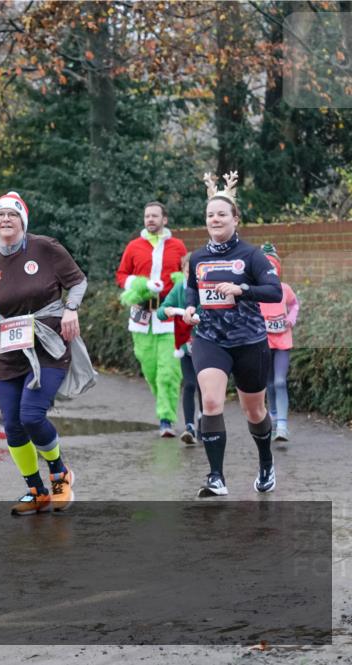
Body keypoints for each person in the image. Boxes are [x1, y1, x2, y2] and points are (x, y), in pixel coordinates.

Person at [0, 191, 94, 516]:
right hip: (8, 350)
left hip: (49, 343)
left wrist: (71, 309)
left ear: (23, 221)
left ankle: (60, 474)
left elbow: (77, 282)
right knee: (13, 425)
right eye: (0, 215)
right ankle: (36, 489)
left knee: (32, 416)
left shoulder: (45, 248)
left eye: (12, 214)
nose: (6, 219)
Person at [184, 172, 282, 497]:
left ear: (235, 219)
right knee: (211, 401)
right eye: (210, 214)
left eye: (222, 214)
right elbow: (191, 291)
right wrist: (189, 309)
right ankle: (216, 477)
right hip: (210, 338)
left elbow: (274, 292)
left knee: (253, 410)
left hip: (249, 341)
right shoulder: (197, 257)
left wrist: (241, 289)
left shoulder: (252, 256)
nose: (215, 219)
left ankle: (266, 464)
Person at [115, 202, 188, 438]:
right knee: (150, 370)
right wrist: (141, 284)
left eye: (155, 216)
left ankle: (166, 419)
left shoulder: (177, 246)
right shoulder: (134, 246)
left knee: (168, 372)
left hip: (168, 316)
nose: (150, 220)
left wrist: (178, 283)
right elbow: (121, 275)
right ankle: (164, 407)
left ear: (164, 219)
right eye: (147, 216)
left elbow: (186, 276)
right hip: (141, 318)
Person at [155, 253, 203, 445]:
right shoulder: (179, 288)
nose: (190, 275)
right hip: (185, 345)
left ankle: (204, 423)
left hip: (205, 344)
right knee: (190, 385)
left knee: (204, 387)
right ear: (182, 271)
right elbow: (161, 309)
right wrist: (165, 310)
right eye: (187, 271)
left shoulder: (206, 289)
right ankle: (190, 426)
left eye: (195, 272)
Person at [259, 243, 299, 443]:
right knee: (268, 383)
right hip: (263, 342)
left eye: (273, 267)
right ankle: (274, 419)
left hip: (283, 340)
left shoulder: (284, 289)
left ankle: (282, 424)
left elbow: (294, 304)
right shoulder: (256, 292)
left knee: (280, 381)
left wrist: (290, 319)